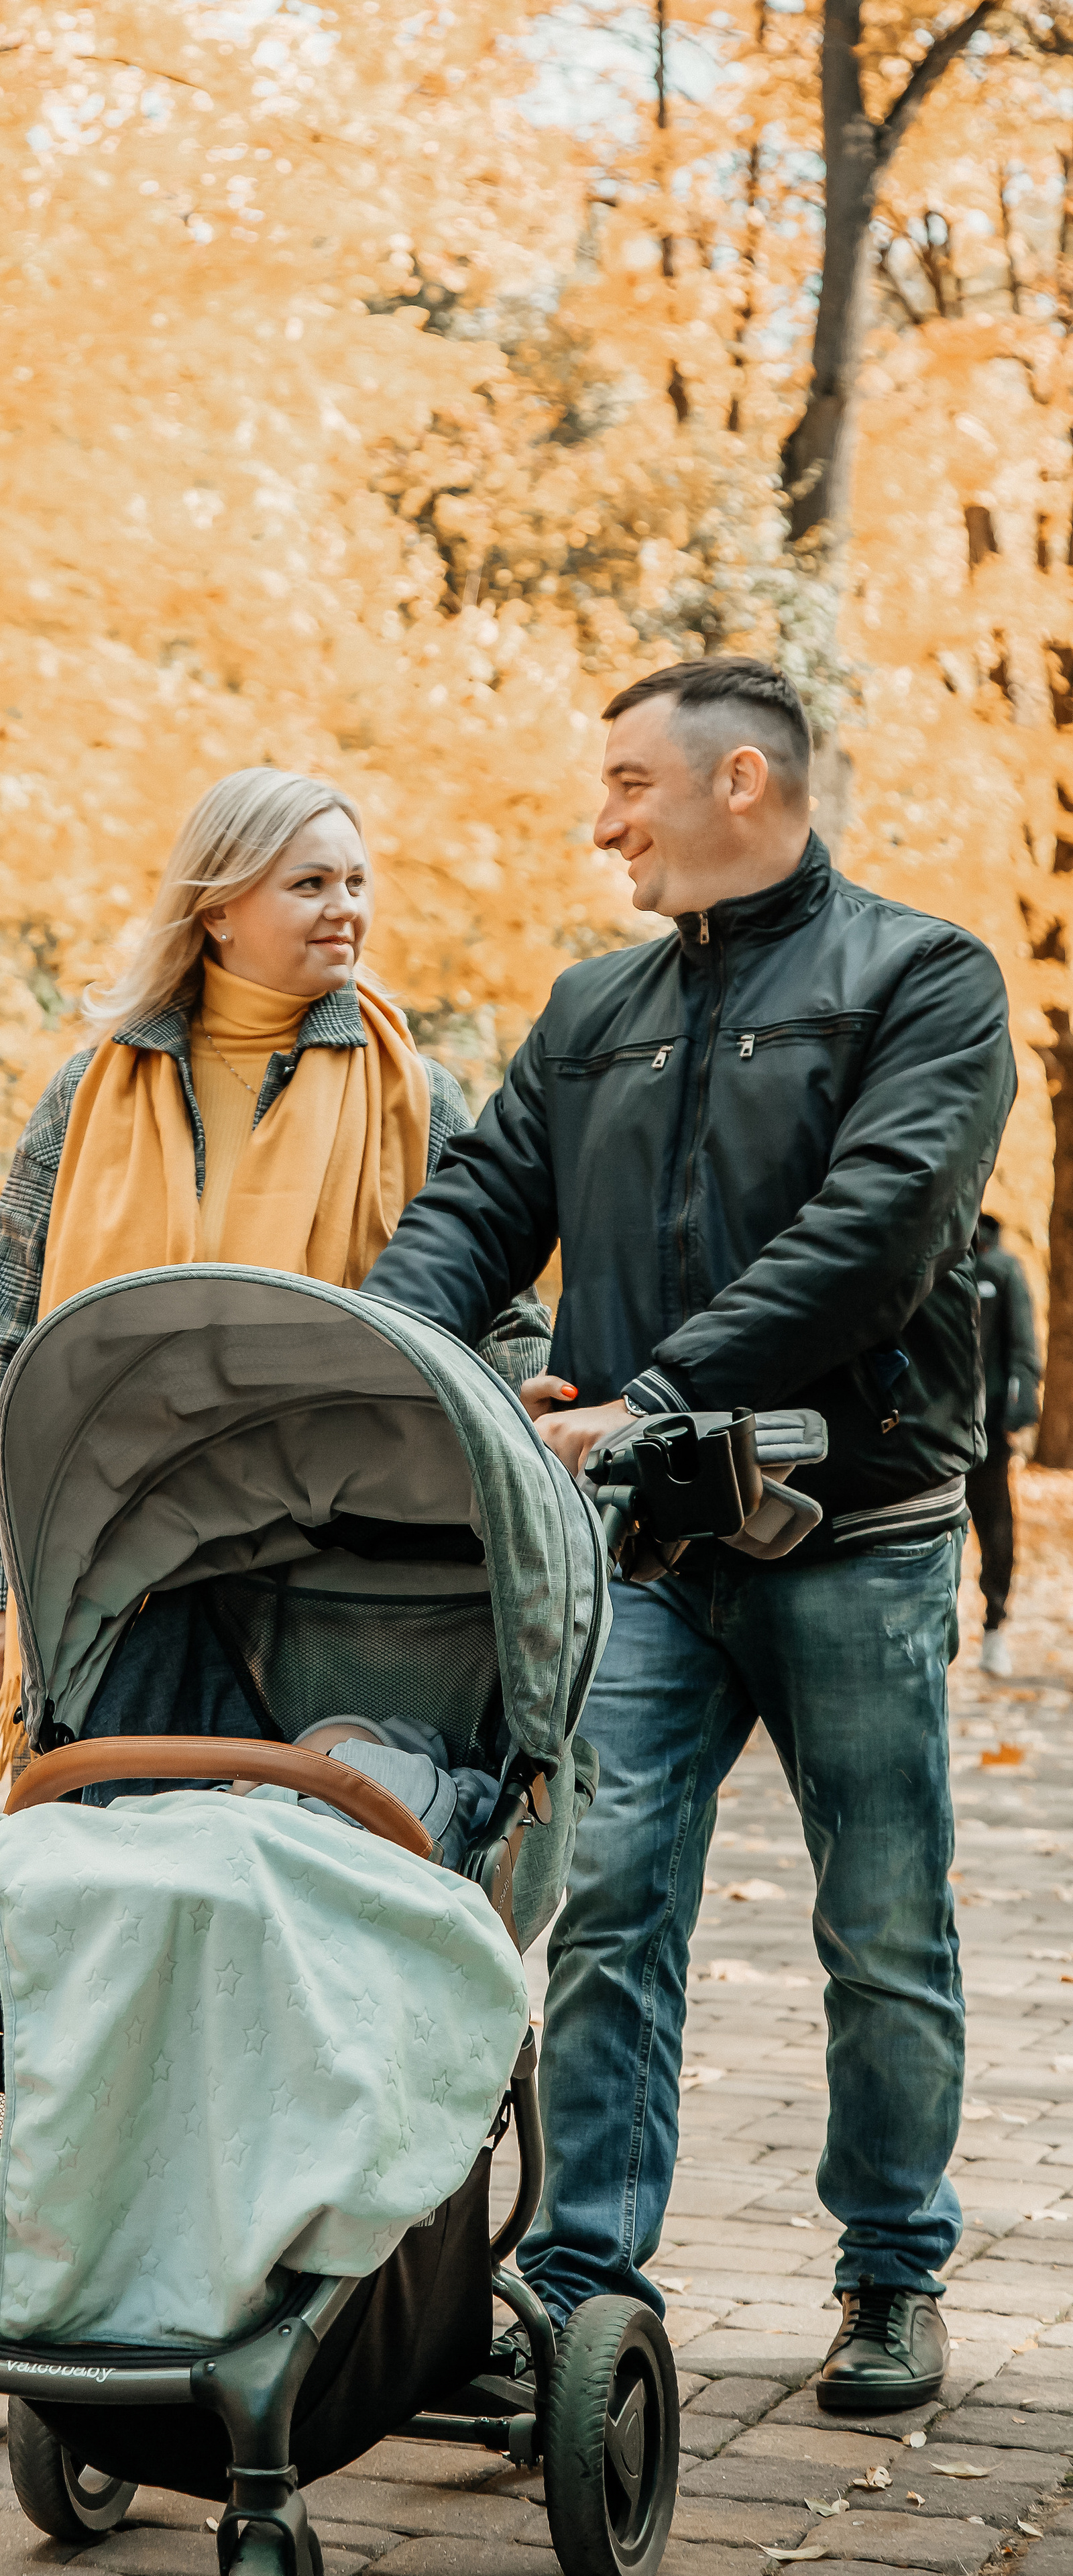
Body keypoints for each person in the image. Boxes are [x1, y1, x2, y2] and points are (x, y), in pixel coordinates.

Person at [361, 657, 1016, 2414]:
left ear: (745, 779)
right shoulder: (593, 1007)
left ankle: (890, 2273)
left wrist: (649, 1389)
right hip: (643, 1557)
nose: (605, 824)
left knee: (882, 1924)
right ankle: (582, 2283)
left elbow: (875, 1235)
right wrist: (374, 1358)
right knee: (608, 1909)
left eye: (631, 788)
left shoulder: (926, 980)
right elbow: (478, 1206)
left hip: (857, 1532)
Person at [0, 766, 551, 1754]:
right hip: (129, 1563)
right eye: (309, 885)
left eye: (356, 883)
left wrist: (541, 1429)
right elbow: (10, 1347)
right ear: (218, 908)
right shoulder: (87, 1094)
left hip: (346, 1574)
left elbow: (505, 1316)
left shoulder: (419, 1096)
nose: (344, 908)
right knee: (130, 1848)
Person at [969, 1212, 1041, 1676]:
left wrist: (1018, 1411)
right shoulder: (930, 1255)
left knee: (995, 1527)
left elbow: (1023, 1345)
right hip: (930, 1426)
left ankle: (995, 1626)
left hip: (988, 1427)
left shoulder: (1002, 1268)